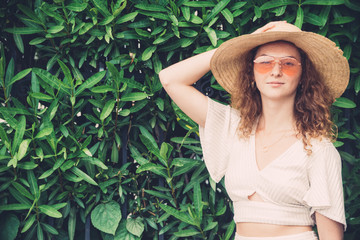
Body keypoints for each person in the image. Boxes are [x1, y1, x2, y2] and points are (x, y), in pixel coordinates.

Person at [159, 21, 348, 240]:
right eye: (265, 62)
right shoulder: (234, 128)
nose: (276, 71)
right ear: (252, 72)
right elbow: (170, 79)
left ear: (303, 76)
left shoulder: (318, 149)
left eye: (288, 64)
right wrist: (244, 42)